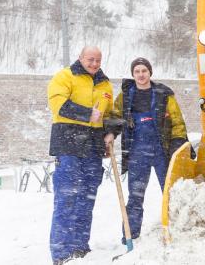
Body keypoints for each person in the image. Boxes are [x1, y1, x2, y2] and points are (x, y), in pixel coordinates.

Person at [106, 57, 190, 242]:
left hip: (162, 151)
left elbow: (177, 122)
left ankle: (177, 231)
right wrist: (111, 133)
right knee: (135, 197)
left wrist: (177, 144)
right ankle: (130, 236)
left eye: (144, 71)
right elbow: (115, 116)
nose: (141, 74)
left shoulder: (163, 94)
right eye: (137, 71)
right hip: (137, 153)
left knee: (171, 193)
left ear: (150, 72)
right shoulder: (126, 96)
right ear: (133, 74)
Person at [47, 46, 115, 265]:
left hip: (94, 148)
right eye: (90, 59)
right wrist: (88, 114)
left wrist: (110, 132)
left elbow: (111, 113)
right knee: (66, 199)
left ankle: (80, 248)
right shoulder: (65, 76)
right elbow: (58, 105)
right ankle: (61, 253)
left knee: (86, 201)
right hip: (69, 145)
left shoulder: (105, 84)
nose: (94, 63)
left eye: (98, 60)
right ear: (81, 58)